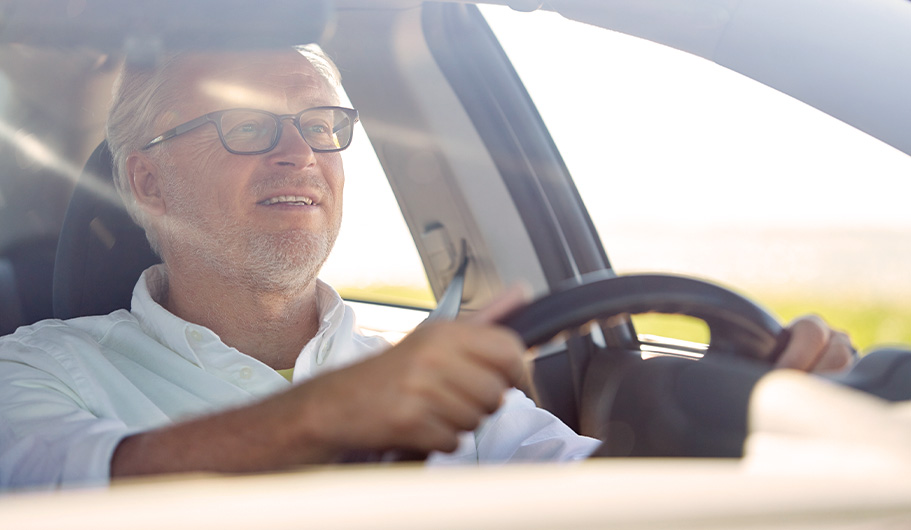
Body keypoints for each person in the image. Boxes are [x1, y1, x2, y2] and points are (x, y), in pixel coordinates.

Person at [0, 46, 855, 491]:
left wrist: (734, 424)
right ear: (147, 179)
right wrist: (323, 419)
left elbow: (577, 492)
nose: (302, 153)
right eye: (249, 125)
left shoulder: (417, 370)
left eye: (322, 123)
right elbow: (63, 495)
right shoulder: (37, 370)